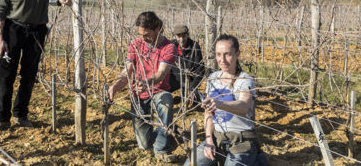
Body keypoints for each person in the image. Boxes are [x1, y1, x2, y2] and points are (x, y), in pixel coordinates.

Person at [0, 0, 71, 134]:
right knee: (6, 76)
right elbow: (0, 10)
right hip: (13, 30)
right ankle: (1, 118)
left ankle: (20, 115)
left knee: (29, 75)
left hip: (37, 32)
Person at [185, 34, 267, 166]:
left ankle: (255, 158)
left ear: (237, 54)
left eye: (227, 54)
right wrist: (208, 140)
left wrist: (219, 104)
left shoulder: (245, 80)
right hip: (217, 140)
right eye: (218, 54)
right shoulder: (212, 78)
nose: (222, 59)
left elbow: (244, 106)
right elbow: (208, 114)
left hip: (241, 141)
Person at [108, 11, 178, 163]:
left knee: (166, 101)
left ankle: (162, 148)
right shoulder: (136, 44)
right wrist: (115, 86)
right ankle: (169, 131)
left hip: (159, 91)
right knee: (144, 144)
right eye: (140, 34)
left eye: (146, 34)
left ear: (158, 28)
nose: (143, 38)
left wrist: (146, 84)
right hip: (138, 95)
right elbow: (127, 70)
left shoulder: (169, 47)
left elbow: (161, 74)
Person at [169, 25, 204, 106]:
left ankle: (194, 95)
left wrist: (193, 88)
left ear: (188, 35)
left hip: (189, 81)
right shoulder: (171, 45)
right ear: (175, 36)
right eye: (178, 36)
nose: (181, 39)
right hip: (174, 79)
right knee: (162, 94)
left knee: (194, 102)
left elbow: (200, 70)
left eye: (184, 36)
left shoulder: (195, 46)